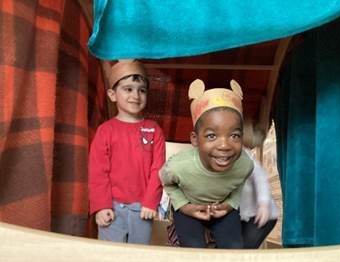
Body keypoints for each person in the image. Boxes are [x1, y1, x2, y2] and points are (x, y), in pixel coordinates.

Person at [159, 79, 253, 249]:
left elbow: (239, 184)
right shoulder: (178, 166)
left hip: (222, 208)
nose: (224, 146)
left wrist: (230, 204)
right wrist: (185, 207)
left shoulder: (245, 165)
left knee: (233, 248)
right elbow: (167, 182)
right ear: (195, 139)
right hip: (189, 207)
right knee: (194, 249)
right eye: (211, 136)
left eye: (234, 135)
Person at [88, 59, 165, 244]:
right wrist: (101, 206)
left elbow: (159, 169)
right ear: (112, 94)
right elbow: (98, 171)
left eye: (142, 90)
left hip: (143, 209)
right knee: (109, 256)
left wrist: (150, 201)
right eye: (128, 89)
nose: (136, 95)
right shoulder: (105, 131)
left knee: (139, 255)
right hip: (111, 209)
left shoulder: (154, 129)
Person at [165, 149, 279, 249]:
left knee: (240, 249)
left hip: (258, 213)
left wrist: (263, 204)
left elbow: (259, 179)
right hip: (237, 211)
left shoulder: (244, 158)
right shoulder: (189, 167)